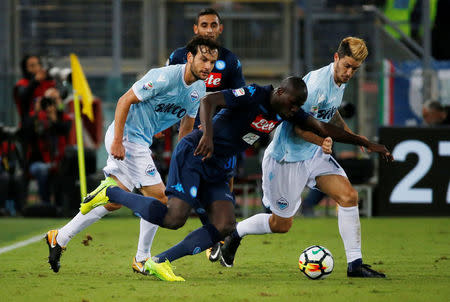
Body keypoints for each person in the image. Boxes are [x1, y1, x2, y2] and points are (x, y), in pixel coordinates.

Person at [79, 76, 392, 281]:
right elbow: (209, 100)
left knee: (224, 226)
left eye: (298, 107)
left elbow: (324, 128)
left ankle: (159, 260)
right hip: (197, 152)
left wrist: (366, 143)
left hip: (221, 165)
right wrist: (209, 136)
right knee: (174, 218)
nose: (295, 110)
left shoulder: (287, 112)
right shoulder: (254, 94)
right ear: (281, 92)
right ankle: (112, 193)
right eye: (293, 103)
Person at [44, 36, 220, 273]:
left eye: (212, 61)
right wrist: (118, 140)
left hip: (140, 140)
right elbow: (124, 100)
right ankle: (142, 258)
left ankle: (60, 237)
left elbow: (186, 128)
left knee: (114, 203)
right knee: (159, 198)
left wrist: (182, 157)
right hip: (127, 137)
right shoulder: (164, 76)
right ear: (190, 57)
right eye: (203, 59)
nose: (208, 66)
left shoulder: (199, 87)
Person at [217, 37, 388, 278]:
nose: (349, 73)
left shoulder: (339, 81)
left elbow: (330, 111)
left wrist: (351, 135)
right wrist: (323, 140)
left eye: (355, 69)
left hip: (313, 156)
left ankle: (355, 264)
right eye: (347, 66)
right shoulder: (317, 85)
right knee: (281, 225)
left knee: (349, 197)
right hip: (287, 159)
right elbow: (298, 127)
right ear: (336, 58)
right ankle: (235, 233)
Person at [131, 7, 245, 269]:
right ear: (196, 30)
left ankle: (216, 236)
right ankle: (214, 238)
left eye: (213, 25)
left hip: (219, 135)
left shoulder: (230, 61)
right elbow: (166, 91)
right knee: (183, 191)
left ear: (220, 29)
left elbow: (238, 100)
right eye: (204, 25)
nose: (209, 29)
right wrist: (161, 122)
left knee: (220, 186)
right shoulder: (179, 57)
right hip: (189, 129)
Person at [29, 88, 71, 205]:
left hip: (59, 160)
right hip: (39, 161)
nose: (50, 104)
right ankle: (45, 203)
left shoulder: (63, 117)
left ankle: (62, 206)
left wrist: (54, 117)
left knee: (65, 169)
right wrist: (38, 113)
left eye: (54, 99)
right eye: (49, 100)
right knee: (42, 169)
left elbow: (64, 130)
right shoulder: (36, 118)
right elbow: (33, 133)